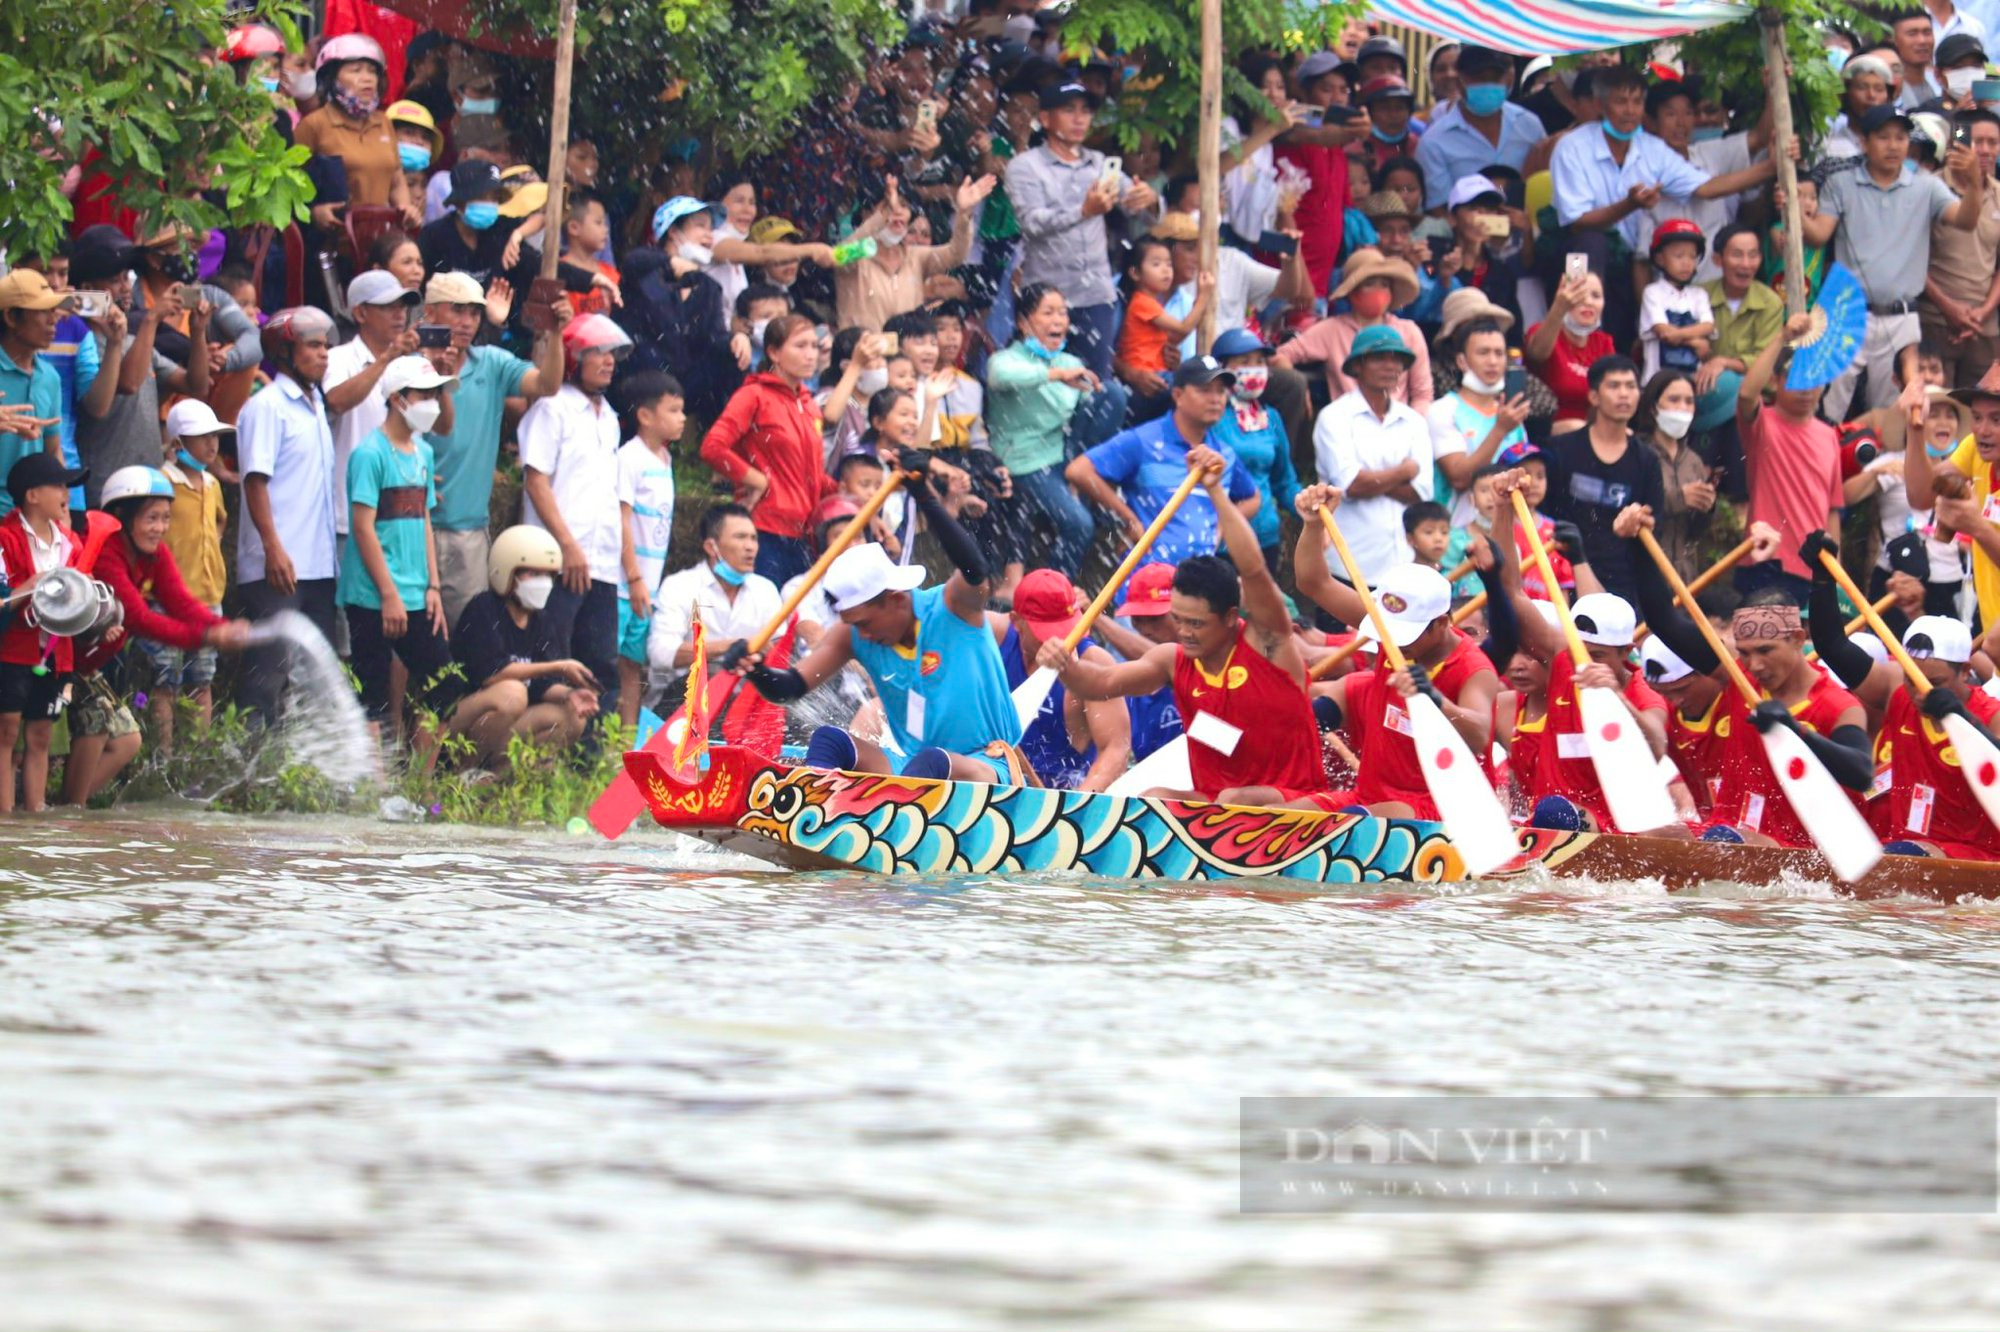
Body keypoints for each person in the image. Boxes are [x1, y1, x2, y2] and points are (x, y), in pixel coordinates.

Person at [1036, 446, 1330, 806]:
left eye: (1196, 624)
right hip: (1215, 803)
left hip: (1294, 802)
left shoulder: (1267, 644)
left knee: (1237, 796)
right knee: (1153, 797)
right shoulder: (1171, 660)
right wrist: (1065, 666)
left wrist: (1216, 490)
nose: (1185, 632)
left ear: (1229, 616)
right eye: (1178, 620)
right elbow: (1100, 684)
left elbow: (1253, 570)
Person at [731, 472, 1024, 782]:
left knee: (934, 763)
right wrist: (754, 669)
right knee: (830, 741)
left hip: (987, 766)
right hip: (911, 767)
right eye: (854, 625)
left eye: (866, 623)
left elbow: (974, 568)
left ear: (896, 599)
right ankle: (814, 814)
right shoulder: (852, 635)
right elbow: (789, 688)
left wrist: (924, 495)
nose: (863, 635)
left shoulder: (954, 606)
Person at [1633, 525, 1874, 847]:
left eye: (1766, 651)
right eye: (1745, 653)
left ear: (1797, 639)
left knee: (1723, 841)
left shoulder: (1837, 705)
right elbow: (1664, 620)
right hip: (1726, 834)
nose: (1755, 665)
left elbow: (1861, 772)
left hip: (1796, 852)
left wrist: (1797, 731)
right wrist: (1636, 544)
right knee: (1648, 837)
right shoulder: (1739, 678)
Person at [1292, 487, 1502, 818]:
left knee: (1364, 821)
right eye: (1388, 628)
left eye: (1407, 633)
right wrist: (1312, 525)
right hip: (1373, 796)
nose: (1394, 642)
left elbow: (1477, 734)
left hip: (1446, 810)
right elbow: (1312, 582)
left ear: (1441, 623)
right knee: (1295, 814)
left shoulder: (1475, 670)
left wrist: (1435, 699)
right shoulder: (1389, 625)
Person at [73, 466, 252, 804]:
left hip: (92, 666)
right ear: (123, 517)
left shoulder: (155, 555)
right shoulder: (108, 556)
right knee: (86, 733)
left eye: (166, 518)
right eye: (151, 518)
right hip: (67, 663)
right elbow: (140, 619)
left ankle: (67, 810)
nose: (160, 529)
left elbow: (181, 602)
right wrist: (207, 638)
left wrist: (219, 626)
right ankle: (61, 808)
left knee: (126, 741)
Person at [1801, 103, 1988, 419]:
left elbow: (1967, 221)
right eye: (1883, 137)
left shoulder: (1926, 185)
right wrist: (1793, 209)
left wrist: (1973, 183)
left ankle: (1882, 470)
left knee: (1891, 411)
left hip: (1902, 315)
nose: (1893, 145)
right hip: (1849, 310)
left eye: (1900, 138)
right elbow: (1818, 235)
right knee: (1829, 403)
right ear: (1865, 141)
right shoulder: (1842, 182)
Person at [1809, 599, 2000, 860]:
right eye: (1911, 679)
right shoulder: (1896, 693)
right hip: (1905, 848)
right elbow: (1832, 645)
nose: (1920, 692)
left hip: (1975, 854)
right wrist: (1821, 581)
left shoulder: (1992, 715)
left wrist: (1963, 718)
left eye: (1935, 682)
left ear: (1966, 671)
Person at [337, 355, 460, 756]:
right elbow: (362, 527)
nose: (433, 403)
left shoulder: (422, 453)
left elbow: (423, 516)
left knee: (445, 685)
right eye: (423, 394)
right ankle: (373, 790)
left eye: (435, 394)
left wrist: (433, 585)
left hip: (416, 591)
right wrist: (388, 593)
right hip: (371, 595)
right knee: (371, 695)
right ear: (397, 398)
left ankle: (420, 786)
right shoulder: (369, 454)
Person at [1004, 79, 1159, 379]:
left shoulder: (1100, 163)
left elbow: (1140, 209)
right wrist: (1083, 211)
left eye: (1086, 111)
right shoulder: (1025, 166)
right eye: (1069, 110)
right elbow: (1032, 223)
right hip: (1045, 300)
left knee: (1094, 386)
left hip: (1096, 297)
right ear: (1046, 119)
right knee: (1044, 387)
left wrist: (1149, 199)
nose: (1079, 119)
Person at [520, 314, 630, 727]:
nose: (608, 361)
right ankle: (546, 752)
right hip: (558, 559)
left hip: (601, 562)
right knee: (553, 660)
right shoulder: (552, 408)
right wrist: (567, 545)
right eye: (596, 353)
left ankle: (591, 762)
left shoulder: (612, 417)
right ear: (572, 358)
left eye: (611, 353)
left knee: (601, 665)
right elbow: (536, 481)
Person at [983, 283, 1127, 584]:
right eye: (1048, 313)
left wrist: (1082, 387)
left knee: (1112, 394)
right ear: (1023, 323)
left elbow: (1091, 413)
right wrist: (1055, 376)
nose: (1058, 320)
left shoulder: (1070, 362)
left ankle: (1082, 473)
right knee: (1079, 523)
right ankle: (1052, 593)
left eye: (1062, 312)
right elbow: (1000, 377)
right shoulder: (1006, 359)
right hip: (1026, 461)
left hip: (1065, 453)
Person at [237, 306, 339, 724]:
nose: (324, 354)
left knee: (316, 679)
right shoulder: (268, 406)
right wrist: (273, 549)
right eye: (313, 346)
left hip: (317, 565)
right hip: (278, 565)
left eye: (326, 346)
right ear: (285, 351)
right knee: (266, 676)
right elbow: (255, 481)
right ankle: (249, 769)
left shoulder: (316, 407)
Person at [1067, 356, 1261, 569]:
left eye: (1221, 391)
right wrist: (1128, 519)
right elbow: (1079, 470)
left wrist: (1222, 525)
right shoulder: (1143, 440)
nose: (1216, 399)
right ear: (1177, 395)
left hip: (1201, 582)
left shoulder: (1223, 454)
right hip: (1146, 580)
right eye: (1205, 390)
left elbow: (1253, 498)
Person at [700, 313, 840, 588]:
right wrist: (756, 479)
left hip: (805, 535)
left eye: (814, 346)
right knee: (768, 621)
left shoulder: (809, 404)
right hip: (764, 530)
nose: (811, 354)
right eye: (800, 346)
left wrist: (847, 493)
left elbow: (811, 475)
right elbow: (712, 447)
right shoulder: (754, 395)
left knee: (796, 623)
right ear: (774, 352)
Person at [446, 525, 601, 768]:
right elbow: (492, 674)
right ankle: (461, 774)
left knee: (572, 717)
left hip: (504, 725)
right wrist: (561, 666)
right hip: (459, 719)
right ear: (507, 570)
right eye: (532, 573)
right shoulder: (484, 609)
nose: (542, 583)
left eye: (547, 575)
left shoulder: (541, 620)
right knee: (512, 694)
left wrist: (571, 694)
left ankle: (499, 778)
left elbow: (542, 684)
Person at [141, 401, 234, 749]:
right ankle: (163, 755)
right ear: (177, 444)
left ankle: (197, 754)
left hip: (209, 597)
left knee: (202, 679)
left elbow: (221, 518)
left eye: (215, 437)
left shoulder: (211, 484)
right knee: (166, 679)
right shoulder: (162, 482)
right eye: (202, 438)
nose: (212, 445)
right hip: (169, 601)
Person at [1537, 355, 1664, 604]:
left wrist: (1638, 524)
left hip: (1622, 583)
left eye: (1631, 386)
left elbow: (1654, 521)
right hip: (1563, 577)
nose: (1624, 394)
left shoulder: (1647, 460)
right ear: (1594, 396)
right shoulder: (1561, 450)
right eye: (1614, 386)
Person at [1313, 325, 1434, 586]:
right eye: (1380, 357)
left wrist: (1373, 481)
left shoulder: (1413, 420)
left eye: (1396, 358)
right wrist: (1402, 473)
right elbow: (1353, 485)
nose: (1390, 365)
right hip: (1349, 565)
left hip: (1404, 565)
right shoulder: (1334, 417)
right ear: (1357, 366)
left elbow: (1421, 493)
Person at [993, 568, 1132, 791]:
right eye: (1047, 632)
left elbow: (1116, 749)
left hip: (1064, 791)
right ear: (1016, 621)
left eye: (1066, 628)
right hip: (996, 782)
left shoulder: (1095, 662)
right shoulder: (991, 635)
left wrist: (1075, 807)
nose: (1060, 641)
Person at [1735, 312, 1841, 605]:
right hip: (1766, 559)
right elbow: (1746, 394)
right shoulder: (1763, 423)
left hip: (1812, 568)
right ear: (1777, 380)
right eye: (1795, 378)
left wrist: (1835, 571)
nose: (1806, 387)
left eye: (1813, 378)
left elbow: (1832, 510)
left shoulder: (1828, 434)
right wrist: (1782, 337)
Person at [0, 453, 86, 813]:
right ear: (32, 495)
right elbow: (5, 599)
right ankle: (4, 817)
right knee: (5, 732)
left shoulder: (71, 543)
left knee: (40, 735)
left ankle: (35, 816)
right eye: (58, 485)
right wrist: (31, 586)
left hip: (56, 652)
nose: (66, 492)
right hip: (13, 650)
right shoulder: (5, 537)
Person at [324, 270, 427, 564]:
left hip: (403, 519)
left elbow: (427, 432)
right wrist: (386, 359)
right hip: (351, 518)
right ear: (360, 312)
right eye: (387, 307)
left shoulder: (413, 363)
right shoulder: (338, 358)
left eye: (403, 306)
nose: (400, 315)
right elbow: (336, 400)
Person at [646, 503, 783, 698]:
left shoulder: (766, 590)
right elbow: (660, 654)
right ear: (712, 547)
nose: (750, 547)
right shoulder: (679, 586)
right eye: (740, 537)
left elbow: (782, 650)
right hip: (684, 700)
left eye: (754, 538)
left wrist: (758, 652)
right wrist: (732, 646)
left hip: (745, 703)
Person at [1272, 248, 1433, 411]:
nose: (1378, 291)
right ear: (1352, 292)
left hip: (1399, 425)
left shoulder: (1409, 331)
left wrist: (1412, 427)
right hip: (1347, 425)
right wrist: (1300, 389)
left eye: (1384, 285)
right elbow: (1281, 355)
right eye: (1369, 284)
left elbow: (1423, 394)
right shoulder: (1331, 330)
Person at [613, 372, 685, 726]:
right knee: (609, 661)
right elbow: (622, 519)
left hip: (647, 587)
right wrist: (634, 576)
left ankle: (625, 746)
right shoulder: (629, 458)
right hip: (623, 585)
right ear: (644, 415)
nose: (682, 418)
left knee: (632, 664)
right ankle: (598, 745)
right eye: (673, 410)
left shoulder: (665, 459)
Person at [834, 173, 991, 331]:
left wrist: (964, 214)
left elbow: (956, 254)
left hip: (906, 354)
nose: (897, 211)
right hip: (861, 354)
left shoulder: (915, 256)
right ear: (866, 214)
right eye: (887, 206)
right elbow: (838, 256)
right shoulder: (856, 256)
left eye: (903, 206)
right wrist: (881, 218)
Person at [294, 34, 418, 223]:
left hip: (381, 237)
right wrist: (314, 212)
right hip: (334, 237)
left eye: (372, 71)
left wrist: (406, 208)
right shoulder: (314, 125)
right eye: (356, 71)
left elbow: (396, 179)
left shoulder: (384, 122)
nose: (367, 78)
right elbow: (290, 185)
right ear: (332, 78)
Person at [1919, 108, 2000, 388]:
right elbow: (1911, 259)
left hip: (1984, 329)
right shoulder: (1931, 188)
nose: (1987, 151)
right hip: (1936, 323)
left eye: (1994, 143)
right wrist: (1949, 308)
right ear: (1959, 144)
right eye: (1978, 142)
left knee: (1983, 414)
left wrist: (1984, 311)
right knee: (1937, 410)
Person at [1415, 45, 1546, 210]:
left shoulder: (1529, 126)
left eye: (1495, 78)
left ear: (1508, 80)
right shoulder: (1434, 142)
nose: (1487, 84)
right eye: (1478, 77)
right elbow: (1439, 211)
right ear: (1459, 82)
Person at [1426, 312, 1531, 518]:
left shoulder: (1511, 415)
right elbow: (1459, 478)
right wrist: (1500, 430)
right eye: (1483, 353)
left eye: (1499, 353)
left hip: (1505, 533)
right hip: (1457, 536)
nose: (1493, 361)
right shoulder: (1442, 410)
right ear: (1462, 361)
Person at [1208, 328, 1297, 570]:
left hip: (1266, 537)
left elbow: (1284, 481)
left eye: (1260, 361)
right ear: (1223, 368)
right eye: (1244, 362)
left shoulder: (1271, 418)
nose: (1255, 368)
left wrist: (1312, 511)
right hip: (1221, 541)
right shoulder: (1211, 416)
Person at [1116, 236, 1215, 418]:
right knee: (1195, 385)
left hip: (1157, 376)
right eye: (1156, 265)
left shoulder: (1150, 303)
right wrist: (1203, 297)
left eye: (1168, 264)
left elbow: (1174, 339)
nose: (1166, 271)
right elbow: (1183, 328)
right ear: (1135, 273)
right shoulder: (1143, 302)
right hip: (1150, 377)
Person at [1633, 370, 1715, 580]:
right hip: (1646, 572)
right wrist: (1679, 498)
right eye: (1674, 400)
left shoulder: (1694, 461)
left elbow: (1696, 532)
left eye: (1689, 401)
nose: (1682, 408)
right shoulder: (1636, 452)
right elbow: (1631, 507)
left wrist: (1706, 507)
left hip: (1685, 575)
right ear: (1653, 407)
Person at [1523, 270, 1616, 430]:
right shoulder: (1542, 331)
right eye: (1579, 294)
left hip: (1593, 430)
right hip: (1549, 429)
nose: (1588, 302)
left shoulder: (1603, 342)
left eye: (1596, 296)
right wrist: (1559, 308)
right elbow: (1537, 355)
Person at [0, 270, 65, 498]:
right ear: (10, 317)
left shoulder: (50, 377)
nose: (53, 319)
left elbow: (53, 447)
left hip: (29, 517)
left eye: (53, 310)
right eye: (42, 311)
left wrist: (61, 501)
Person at [1638, 218, 1715, 381]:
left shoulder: (1699, 294)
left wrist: (1677, 334)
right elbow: (1664, 332)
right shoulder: (1652, 292)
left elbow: (1708, 326)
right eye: (1679, 256)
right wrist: (1695, 342)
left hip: (1692, 380)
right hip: (1656, 380)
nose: (1686, 263)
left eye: (1692, 257)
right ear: (1660, 259)